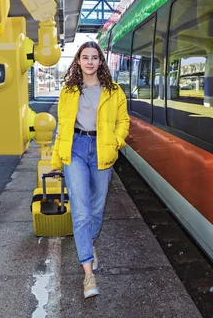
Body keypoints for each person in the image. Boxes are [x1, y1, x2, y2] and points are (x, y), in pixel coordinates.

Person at [49, 41, 130, 299]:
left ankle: (89, 243)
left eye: (95, 58)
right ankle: (87, 272)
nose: (90, 62)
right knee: (82, 211)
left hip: (102, 148)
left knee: (96, 208)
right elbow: (62, 126)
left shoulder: (114, 91)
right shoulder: (69, 91)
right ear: (78, 61)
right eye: (85, 57)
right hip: (75, 148)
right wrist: (56, 157)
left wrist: (116, 142)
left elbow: (123, 121)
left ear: (100, 62)